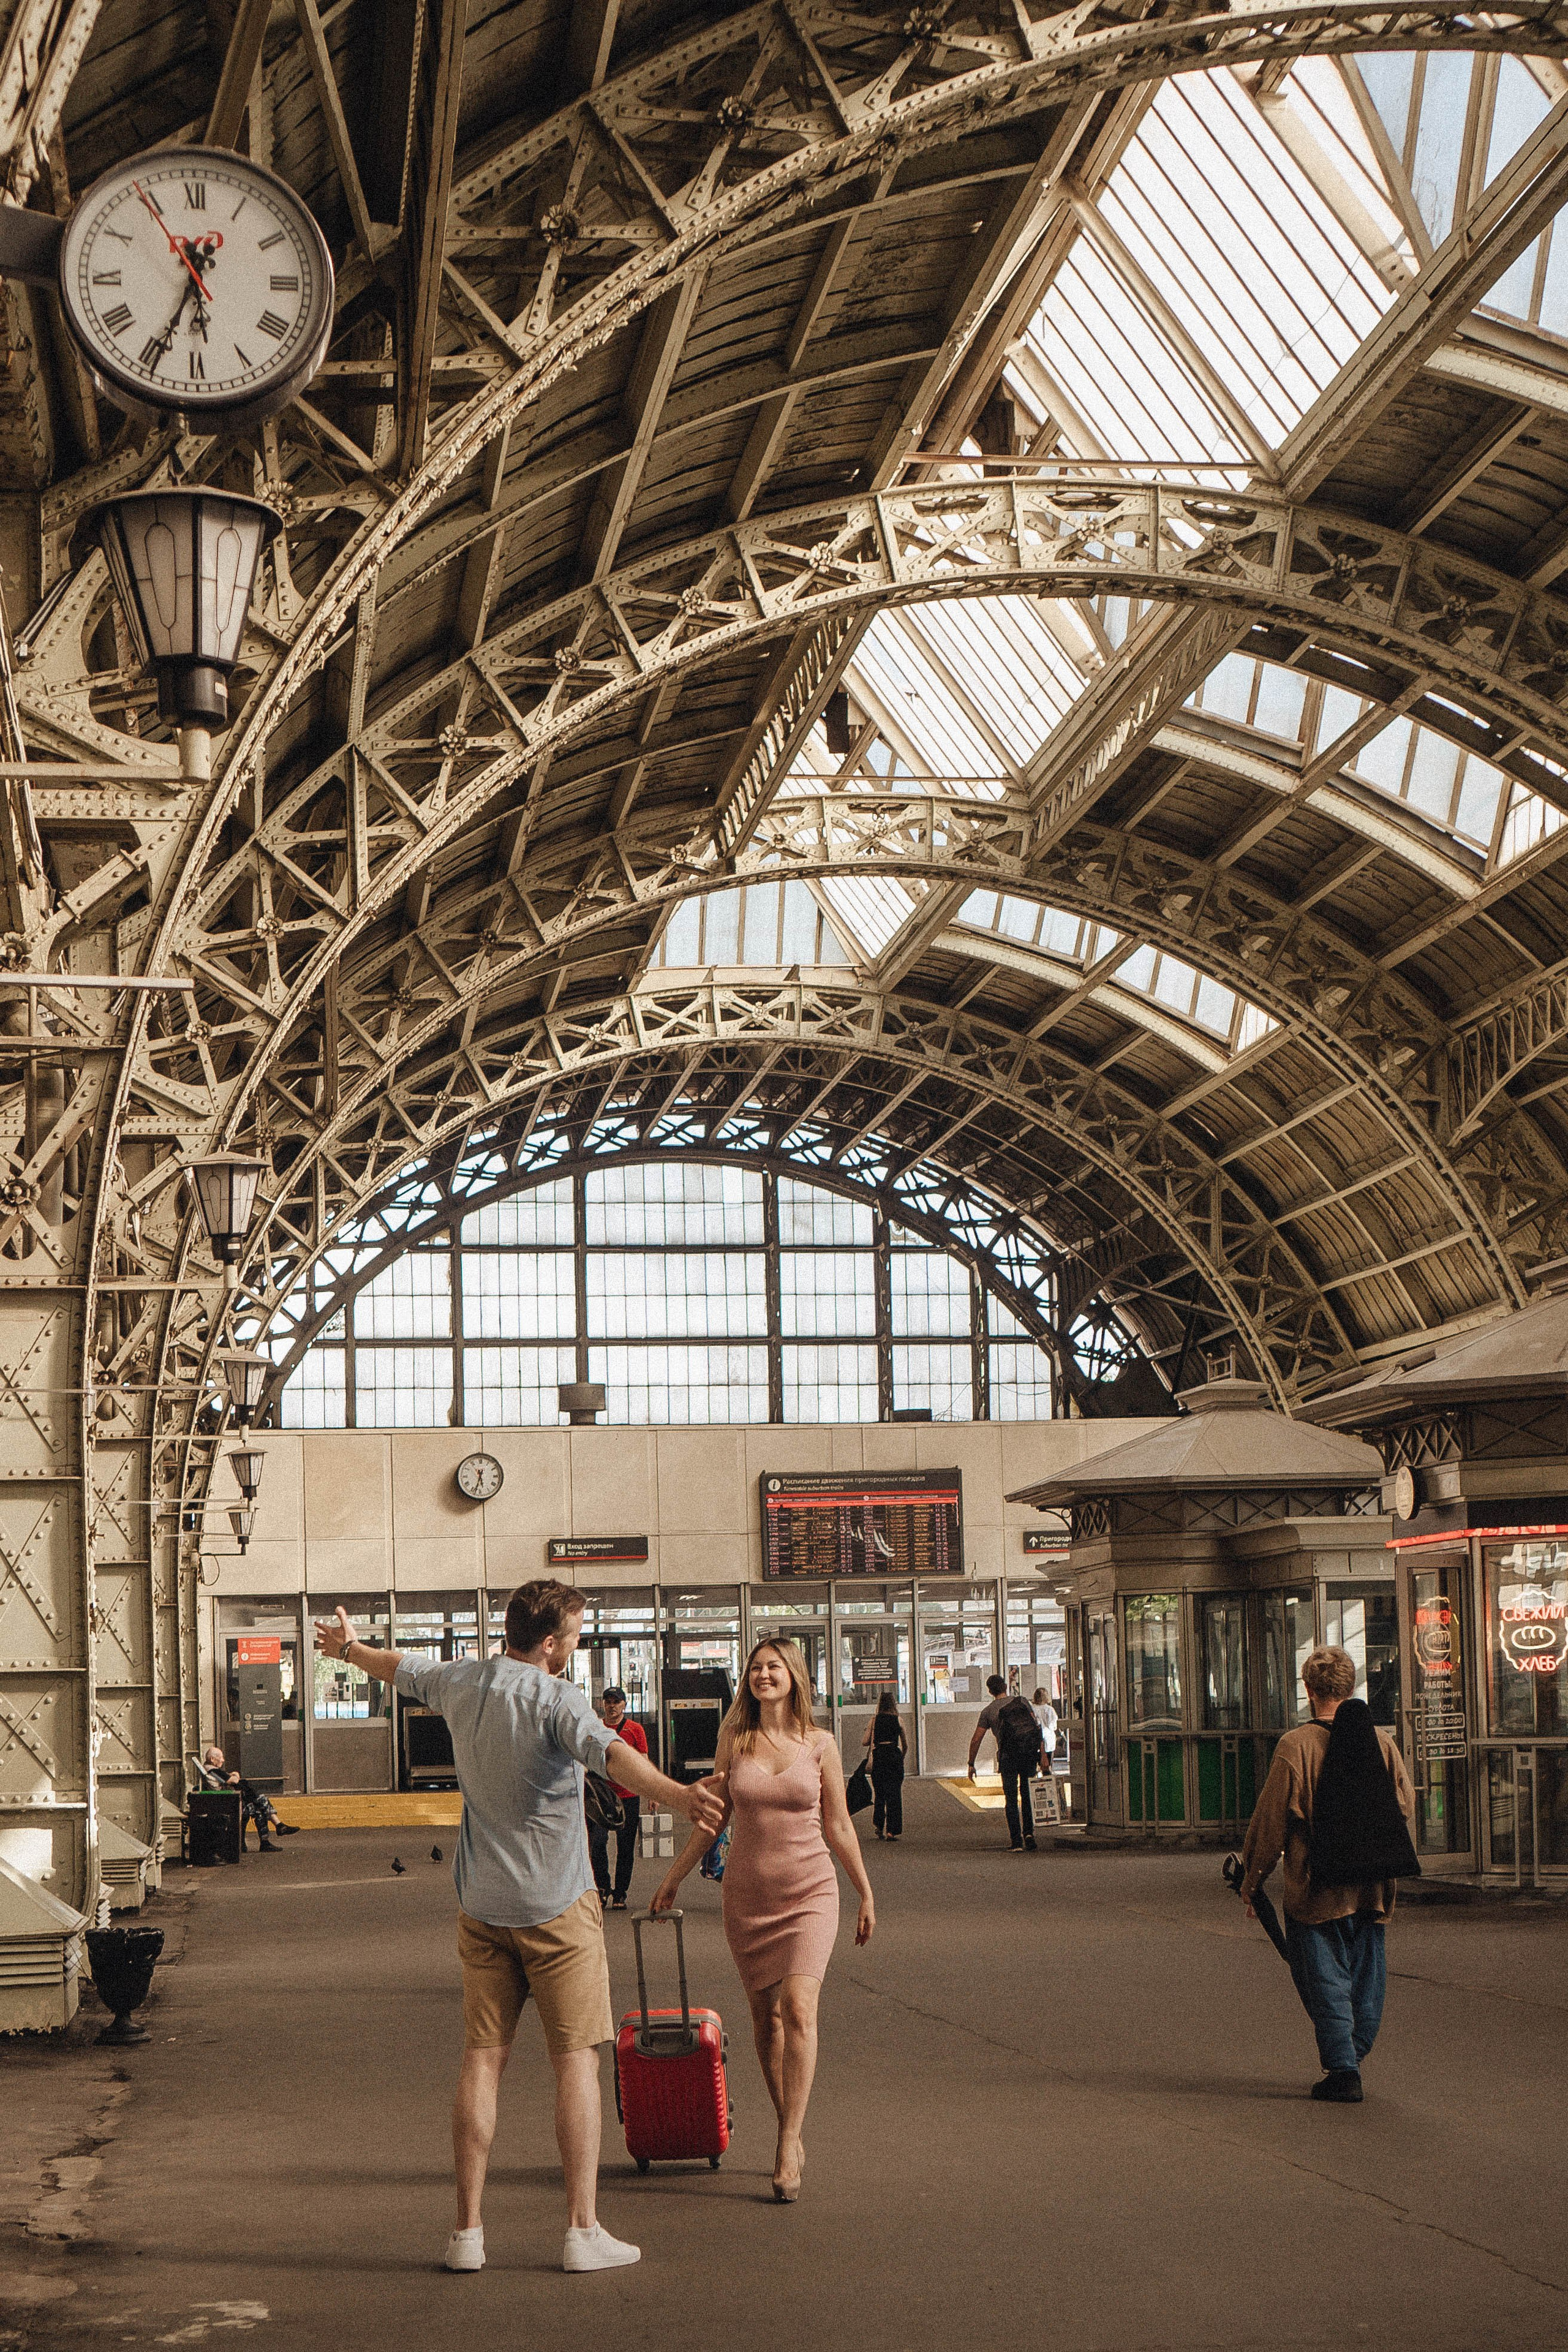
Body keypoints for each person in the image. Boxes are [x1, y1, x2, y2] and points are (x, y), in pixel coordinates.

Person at [312, 1583, 722, 2274]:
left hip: (482, 1906)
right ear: (554, 1643)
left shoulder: (462, 1680)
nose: (579, 1643)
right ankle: (580, 2231)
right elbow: (609, 1757)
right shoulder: (557, 1697)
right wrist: (680, 1796)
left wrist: (347, 1648)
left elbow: (396, 1667)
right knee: (574, 2064)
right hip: (557, 1907)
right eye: (577, 1633)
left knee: (482, 2061)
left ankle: (467, 2234)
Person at [650, 1637, 875, 2202]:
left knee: (799, 2007)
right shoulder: (736, 1739)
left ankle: (788, 2142)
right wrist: (675, 1875)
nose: (763, 1676)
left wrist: (865, 1892)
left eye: (773, 1667)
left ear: (794, 1676)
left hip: (811, 1891)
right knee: (765, 2018)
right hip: (748, 1896)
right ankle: (788, 2124)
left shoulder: (821, 1744)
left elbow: (840, 1825)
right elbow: (713, 1819)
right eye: (755, 1668)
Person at [1240, 1645, 1417, 2105]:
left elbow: (1270, 1822)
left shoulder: (1296, 1746)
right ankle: (1354, 2052)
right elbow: (1404, 1805)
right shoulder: (1380, 1742)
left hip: (1317, 1886)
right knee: (1366, 1972)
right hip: (1372, 1885)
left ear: (1308, 1689)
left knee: (1324, 1978)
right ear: (1351, 1686)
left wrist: (1252, 1878)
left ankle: (1343, 2069)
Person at [967, 1674, 1044, 1852]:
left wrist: (971, 1763)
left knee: (1010, 1799)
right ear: (1005, 1687)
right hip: (1028, 1754)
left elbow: (976, 1740)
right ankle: (1030, 1835)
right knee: (1026, 1795)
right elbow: (1035, 1727)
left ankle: (1016, 1841)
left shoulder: (988, 1711)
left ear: (990, 1691)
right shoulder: (1023, 1702)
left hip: (1008, 1757)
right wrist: (1043, 1754)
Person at [589, 1687, 646, 1910]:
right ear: (603, 1704)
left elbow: (643, 1762)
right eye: (608, 1701)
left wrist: (650, 1793)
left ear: (624, 1705)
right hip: (600, 1795)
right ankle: (603, 1887)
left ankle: (620, 1893)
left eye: (616, 1702)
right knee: (597, 1843)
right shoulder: (595, 1728)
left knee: (625, 1847)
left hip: (628, 1795)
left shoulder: (635, 1730)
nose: (612, 1706)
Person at [196, 1746, 299, 1852]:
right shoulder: (213, 1770)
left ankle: (276, 1829)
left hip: (223, 1802)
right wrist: (235, 1774)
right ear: (213, 1759)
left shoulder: (211, 1770)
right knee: (259, 1806)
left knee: (258, 1805)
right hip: (226, 1804)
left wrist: (232, 1776)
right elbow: (233, 1781)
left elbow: (227, 1778)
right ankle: (272, 1833)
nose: (223, 1760)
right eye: (221, 1758)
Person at [860, 1691, 906, 1840]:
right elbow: (905, 1744)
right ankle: (892, 1831)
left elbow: (865, 1742)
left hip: (879, 1756)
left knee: (880, 1794)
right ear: (894, 1704)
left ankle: (879, 1827)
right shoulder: (899, 1720)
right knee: (895, 1795)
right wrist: (901, 1758)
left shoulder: (874, 1721)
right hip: (894, 1756)